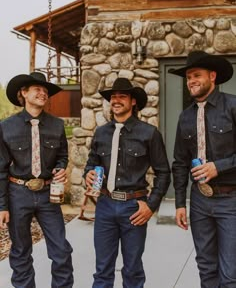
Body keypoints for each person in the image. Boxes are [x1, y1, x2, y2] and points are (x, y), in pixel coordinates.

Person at [84, 77, 170, 288]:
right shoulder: (101, 132)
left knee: (132, 270)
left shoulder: (149, 133)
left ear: (133, 102)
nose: (116, 100)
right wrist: (88, 174)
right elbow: (91, 163)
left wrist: (151, 206)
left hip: (134, 207)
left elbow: (163, 172)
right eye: (113, 97)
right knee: (102, 270)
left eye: (122, 96)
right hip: (105, 206)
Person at [0, 72, 74, 288]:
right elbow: (1, 168)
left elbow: (62, 156)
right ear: (23, 93)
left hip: (48, 195)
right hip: (18, 194)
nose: (43, 93)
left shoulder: (57, 125)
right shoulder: (5, 127)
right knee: (21, 251)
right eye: (37, 89)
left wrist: (60, 169)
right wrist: (2, 205)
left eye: (45, 90)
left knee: (61, 250)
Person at [169, 50, 236, 287]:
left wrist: (219, 167)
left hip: (231, 200)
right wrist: (179, 203)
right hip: (199, 201)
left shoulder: (233, 106)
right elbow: (179, 163)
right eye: (188, 77)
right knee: (206, 269)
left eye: (196, 75)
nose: (191, 81)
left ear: (213, 77)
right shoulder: (185, 117)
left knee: (230, 275)